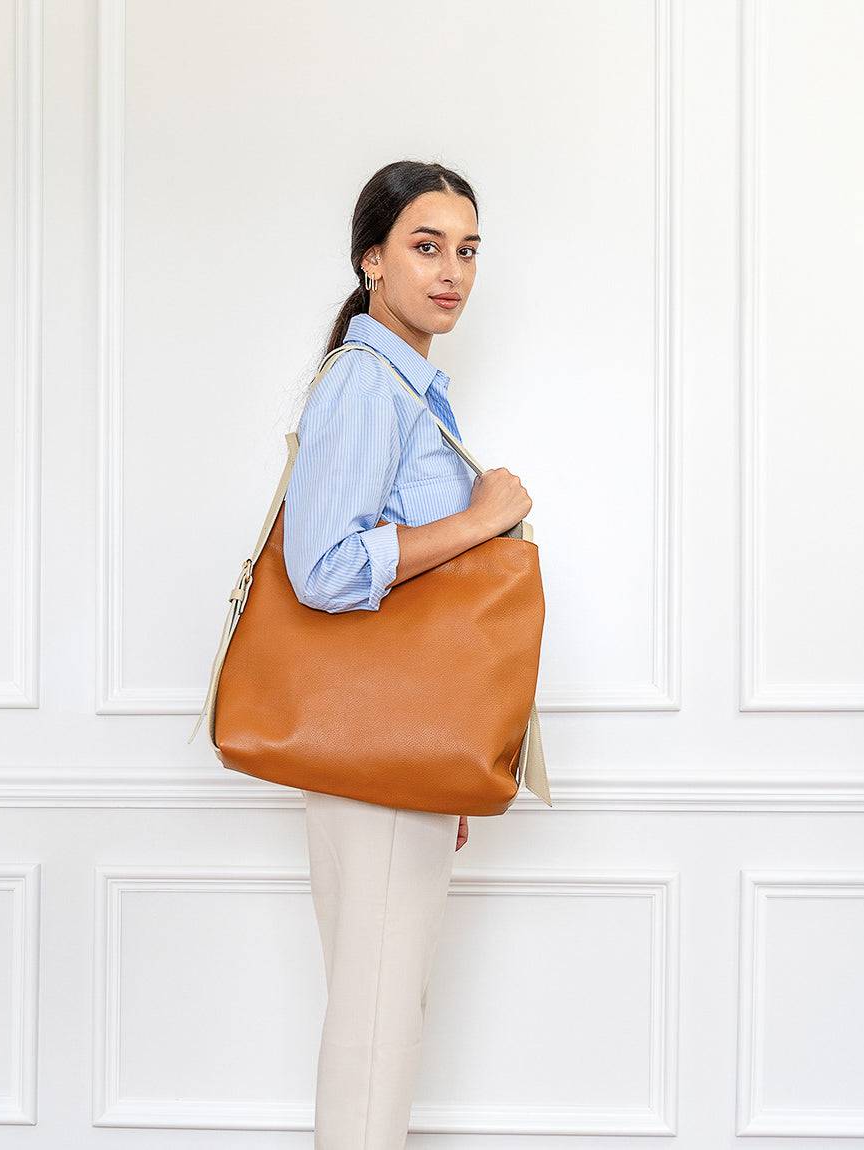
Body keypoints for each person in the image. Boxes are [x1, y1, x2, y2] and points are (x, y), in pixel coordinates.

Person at [282, 160, 532, 1148]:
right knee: (377, 1031)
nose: (452, 271)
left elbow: (416, 612)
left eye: (467, 250)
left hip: (393, 753)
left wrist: (441, 760)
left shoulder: (406, 388)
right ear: (371, 259)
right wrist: (482, 517)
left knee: (381, 1018)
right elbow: (324, 568)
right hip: (372, 764)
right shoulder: (367, 384)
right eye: (426, 247)